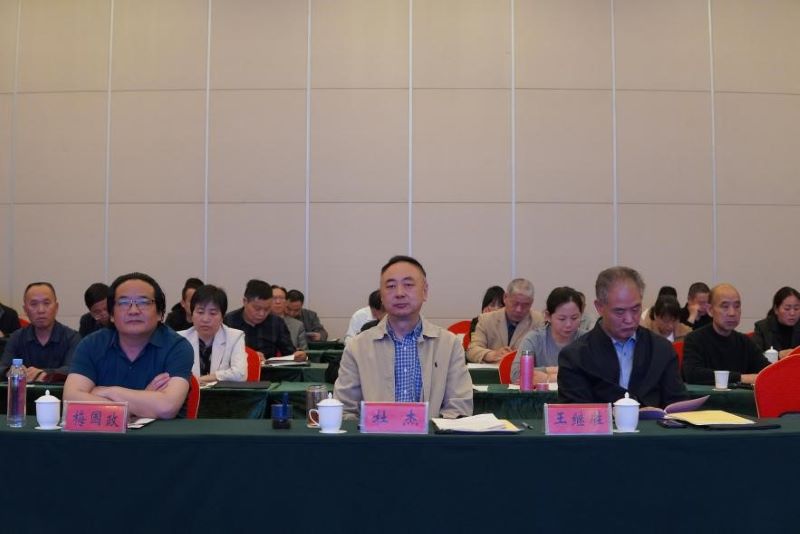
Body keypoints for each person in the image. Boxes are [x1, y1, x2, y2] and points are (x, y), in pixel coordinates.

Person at [334, 255, 472, 420]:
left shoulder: (449, 344)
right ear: (381, 296)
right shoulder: (357, 347)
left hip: (431, 436)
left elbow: (459, 408)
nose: (399, 293)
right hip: (374, 436)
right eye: (391, 286)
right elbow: (344, 410)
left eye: (408, 285)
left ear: (425, 291)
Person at [64, 272, 193, 419]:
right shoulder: (91, 345)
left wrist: (108, 392)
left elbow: (166, 407)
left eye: (144, 302)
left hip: (162, 433)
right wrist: (143, 402)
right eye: (124, 303)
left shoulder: (177, 347)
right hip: (103, 434)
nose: (133, 311)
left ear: (159, 313)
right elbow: (71, 400)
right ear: (112, 315)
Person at [558, 266, 687, 408]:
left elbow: (677, 406)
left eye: (635, 309)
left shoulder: (661, 350)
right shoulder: (576, 356)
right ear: (599, 307)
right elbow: (575, 413)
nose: (629, 319)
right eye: (619, 312)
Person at [683, 283, 770, 385]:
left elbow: (769, 371)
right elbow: (692, 374)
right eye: (725, 306)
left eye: (737, 306)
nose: (732, 313)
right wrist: (741, 378)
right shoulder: (694, 339)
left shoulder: (745, 342)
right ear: (710, 310)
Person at [0, 282, 80, 381]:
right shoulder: (16, 338)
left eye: (46, 303)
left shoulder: (72, 338)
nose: (41, 310)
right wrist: (10, 371)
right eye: (34, 304)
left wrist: (45, 373)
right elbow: (3, 367)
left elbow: (74, 370)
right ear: (25, 309)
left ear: (56, 307)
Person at [511, 287, 589, 384]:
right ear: (548, 316)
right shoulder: (534, 339)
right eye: (562, 319)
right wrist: (553, 370)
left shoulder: (588, 340)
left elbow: (596, 375)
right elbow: (517, 375)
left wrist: (548, 378)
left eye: (574, 318)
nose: (568, 324)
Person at [224, 279, 307, 362]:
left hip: (269, 369)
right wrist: (250, 356)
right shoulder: (229, 321)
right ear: (245, 302)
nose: (262, 314)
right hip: (238, 368)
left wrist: (298, 356)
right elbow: (221, 354)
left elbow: (289, 353)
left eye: (267, 309)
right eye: (257, 308)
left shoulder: (276, 323)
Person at [179, 285, 247, 383]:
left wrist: (205, 379)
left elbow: (240, 374)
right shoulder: (180, 339)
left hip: (220, 393)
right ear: (192, 314)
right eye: (200, 312)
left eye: (213, 313)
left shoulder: (235, 337)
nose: (205, 319)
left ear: (222, 317)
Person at [466, 279, 544, 363]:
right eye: (515, 303)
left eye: (525, 305)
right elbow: (472, 350)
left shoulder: (539, 321)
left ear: (531, 302)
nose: (519, 309)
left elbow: (545, 355)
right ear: (505, 297)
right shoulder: (486, 319)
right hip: (494, 369)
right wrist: (491, 354)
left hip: (524, 369)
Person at [752, 287, 800, 358]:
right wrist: (777, 355)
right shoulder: (762, 327)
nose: (792, 313)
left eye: (796, 309)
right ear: (776, 309)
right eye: (787, 309)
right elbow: (753, 356)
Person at [271, 285, 308, 350]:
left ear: (286, 302)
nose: (278, 302)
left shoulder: (297, 325)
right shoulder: (258, 321)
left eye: (281, 298)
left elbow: (305, 351)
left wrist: (300, 353)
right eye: (274, 298)